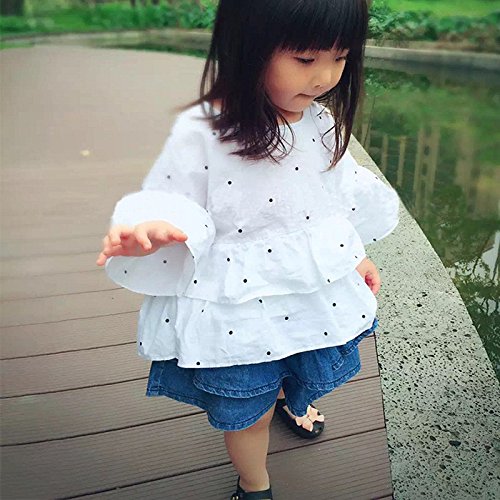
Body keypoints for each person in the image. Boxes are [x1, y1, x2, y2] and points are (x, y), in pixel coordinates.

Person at [96, 0, 400, 498]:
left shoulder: (319, 122)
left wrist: (355, 255)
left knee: (305, 363)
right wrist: (156, 225)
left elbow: (334, 201)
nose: (325, 77)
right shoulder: (206, 131)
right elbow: (176, 198)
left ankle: (292, 399)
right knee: (248, 411)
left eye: (340, 58)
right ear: (248, 47)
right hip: (237, 304)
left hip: (307, 293)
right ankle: (254, 483)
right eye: (305, 59)